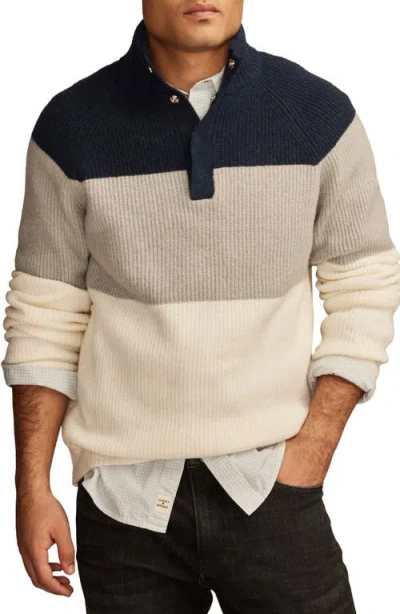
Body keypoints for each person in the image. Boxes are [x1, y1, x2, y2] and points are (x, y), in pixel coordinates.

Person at [2, 1, 400, 612]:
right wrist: (32, 488)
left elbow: (366, 284)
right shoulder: (72, 128)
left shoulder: (318, 116)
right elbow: (44, 317)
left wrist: (313, 449)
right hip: (122, 503)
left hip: (271, 488)